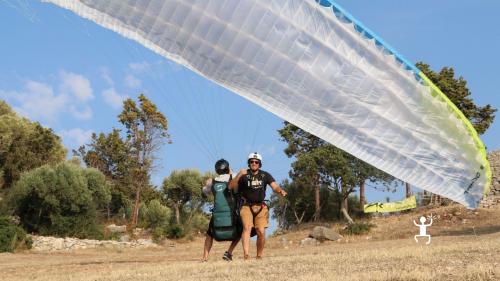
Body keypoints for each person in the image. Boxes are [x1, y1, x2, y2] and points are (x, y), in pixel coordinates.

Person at [229, 152, 287, 260]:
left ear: (260, 164)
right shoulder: (243, 175)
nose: (254, 163)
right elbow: (231, 186)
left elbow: (274, 186)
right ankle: (246, 255)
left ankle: (259, 255)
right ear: (249, 163)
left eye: (256, 162)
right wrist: (238, 175)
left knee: (261, 231)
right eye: (251, 162)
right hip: (246, 206)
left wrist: (280, 191)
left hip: (261, 206)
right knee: (247, 227)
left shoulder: (265, 175)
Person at [202, 159, 241, 262]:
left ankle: (205, 257)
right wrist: (232, 173)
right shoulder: (235, 177)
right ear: (228, 168)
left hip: (217, 214)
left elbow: (205, 191)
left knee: (209, 235)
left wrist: (207, 183)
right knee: (241, 231)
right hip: (232, 213)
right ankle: (229, 252)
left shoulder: (212, 181)